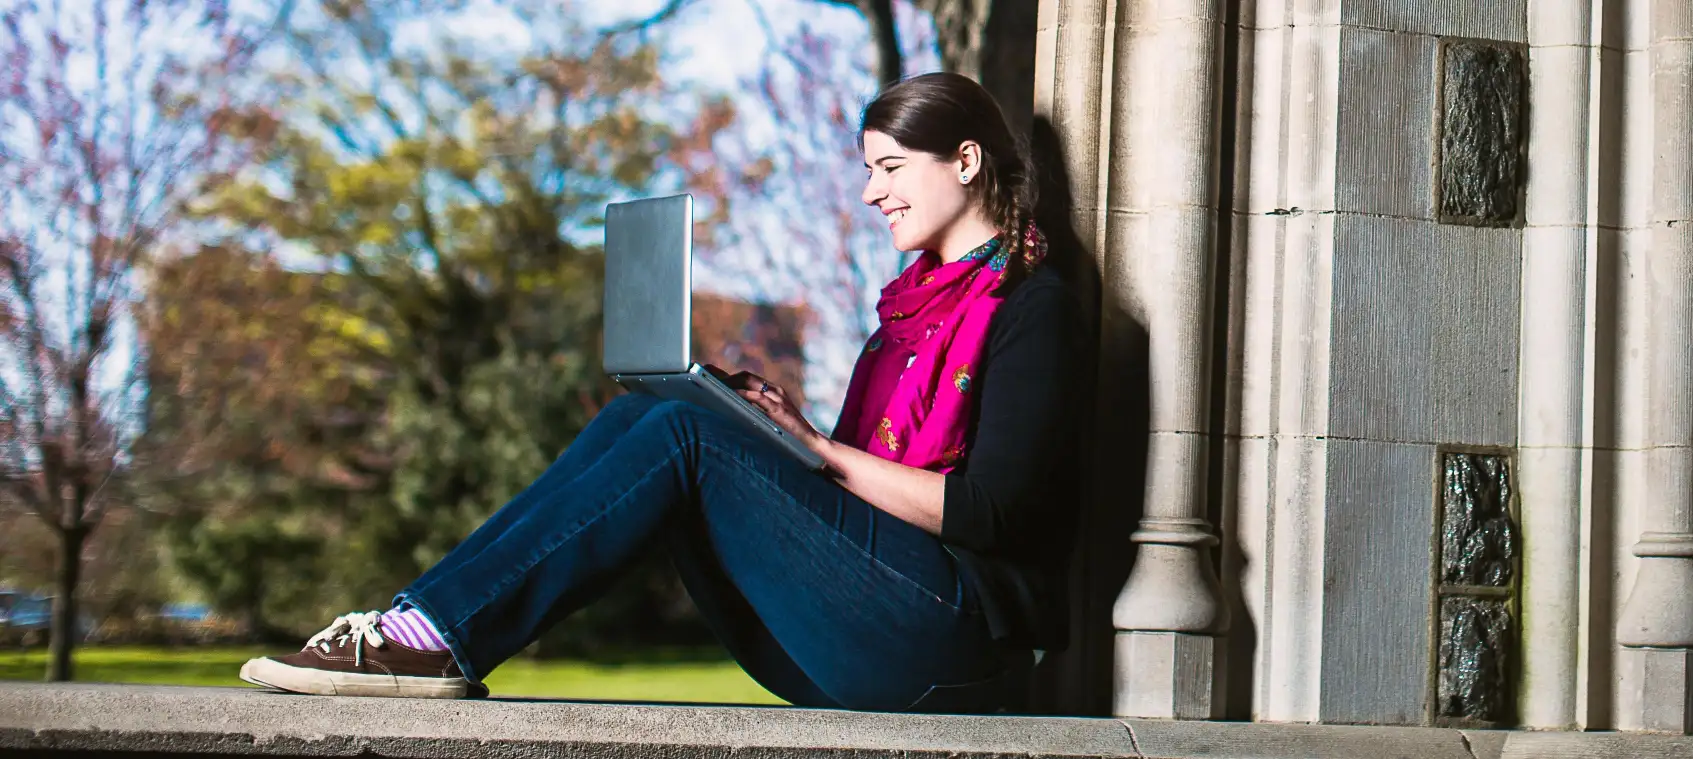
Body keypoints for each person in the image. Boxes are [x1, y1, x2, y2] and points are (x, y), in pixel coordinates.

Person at [237, 72, 1079, 714]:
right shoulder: (908, 313)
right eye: (868, 169)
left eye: (890, 166)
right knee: (658, 408)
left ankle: (432, 642)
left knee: (684, 430)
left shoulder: (1031, 306)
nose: (871, 192)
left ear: (965, 161)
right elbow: (859, 491)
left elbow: (990, 513)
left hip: (954, 640)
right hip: (867, 625)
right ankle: (418, 626)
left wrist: (816, 452)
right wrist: (784, 434)